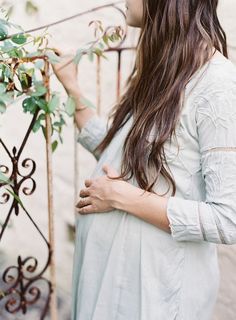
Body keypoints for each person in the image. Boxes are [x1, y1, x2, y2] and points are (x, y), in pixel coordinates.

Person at [52, 0, 236, 319]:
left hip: (154, 292)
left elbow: (228, 218)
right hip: (109, 276)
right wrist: (72, 87)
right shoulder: (167, 72)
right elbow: (126, 158)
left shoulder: (218, 85)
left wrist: (122, 197)